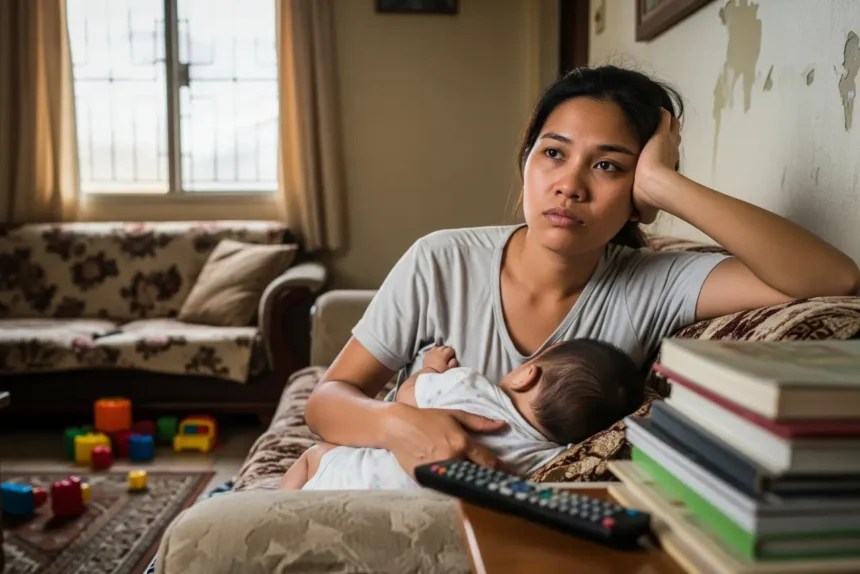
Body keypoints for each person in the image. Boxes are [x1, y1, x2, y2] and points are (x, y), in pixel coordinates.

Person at [304, 65, 860, 478]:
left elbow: (833, 280)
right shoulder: (440, 260)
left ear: (638, 191)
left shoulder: (654, 282)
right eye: (553, 153)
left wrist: (667, 187)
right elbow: (328, 398)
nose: (570, 185)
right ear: (525, 161)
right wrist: (399, 425)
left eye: (608, 165)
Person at [279, 339, 644, 490]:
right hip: (410, 512)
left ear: (526, 374)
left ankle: (269, 503)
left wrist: (430, 368)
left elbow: (408, 397)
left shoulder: (469, 387)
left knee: (314, 457)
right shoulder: (550, 458)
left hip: (348, 482)